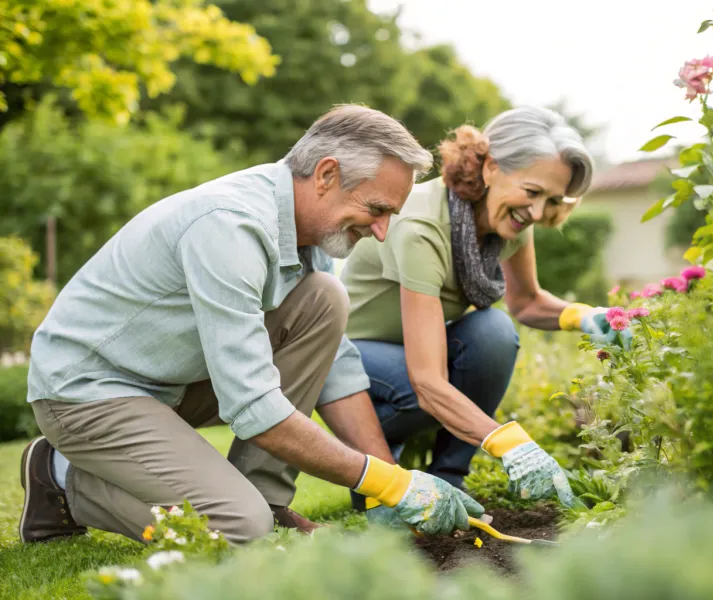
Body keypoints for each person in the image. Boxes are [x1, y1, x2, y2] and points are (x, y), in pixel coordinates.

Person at [18, 104, 485, 547]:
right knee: (242, 529)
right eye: (377, 209)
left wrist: (390, 487)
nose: (381, 230)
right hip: (85, 392)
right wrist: (392, 481)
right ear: (326, 175)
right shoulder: (231, 226)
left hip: (168, 382)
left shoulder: (311, 232)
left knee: (326, 296)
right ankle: (61, 478)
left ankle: (267, 499)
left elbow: (337, 370)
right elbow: (254, 405)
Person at [339, 106, 633, 518]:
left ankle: (449, 478)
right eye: (531, 192)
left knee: (493, 330)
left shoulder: (507, 225)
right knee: (421, 391)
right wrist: (511, 444)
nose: (536, 212)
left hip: (408, 351)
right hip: (349, 357)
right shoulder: (421, 227)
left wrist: (587, 317)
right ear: (491, 168)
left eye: (551, 199)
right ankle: (374, 468)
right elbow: (427, 381)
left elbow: (526, 303)